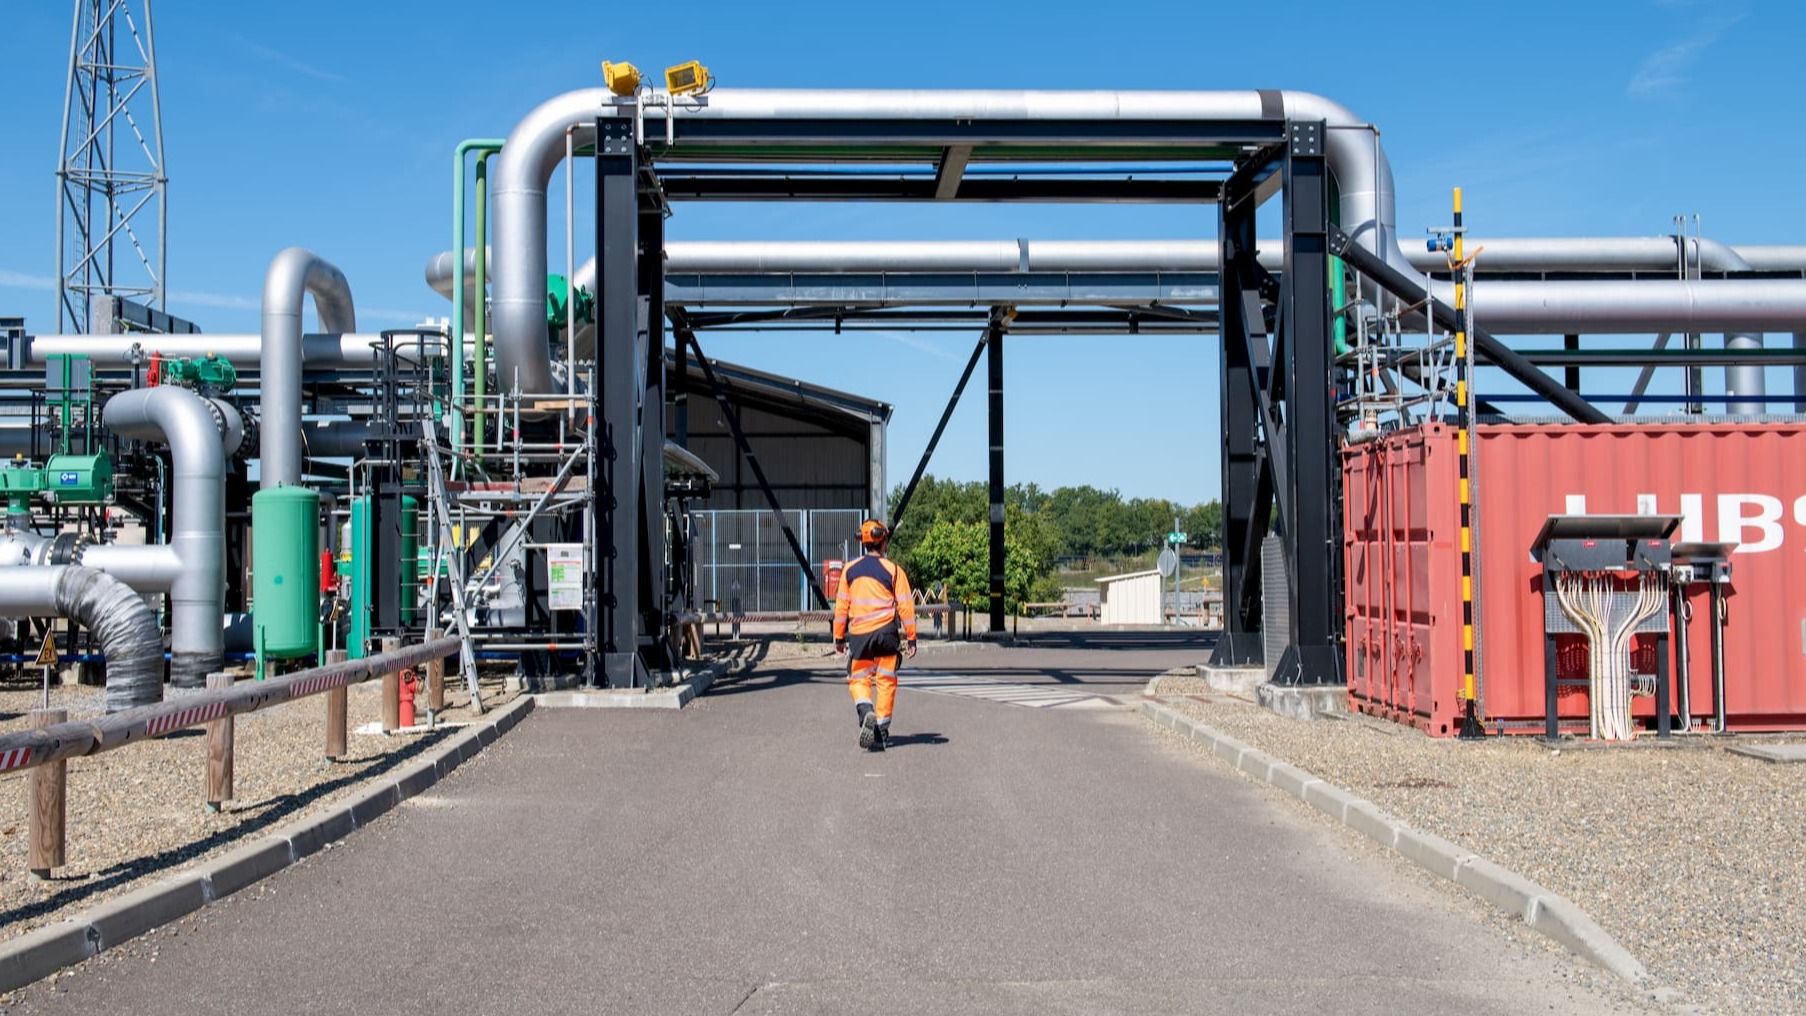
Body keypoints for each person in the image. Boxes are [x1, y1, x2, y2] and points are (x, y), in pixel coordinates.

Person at [833, 519, 917, 751]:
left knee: (859, 679)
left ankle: (865, 710)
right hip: (887, 634)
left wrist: (839, 637)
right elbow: (906, 606)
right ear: (883, 541)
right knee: (886, 681)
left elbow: (841, 608)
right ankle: (881, 732)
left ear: (863, 542)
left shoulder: (849, 570)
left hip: (860, 635)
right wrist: (912, 637)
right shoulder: (894, 570)